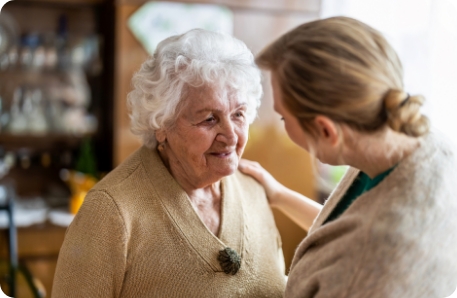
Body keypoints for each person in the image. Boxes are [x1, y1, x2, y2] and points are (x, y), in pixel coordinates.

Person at [52, 29, 286, 297]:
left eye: (238, 114)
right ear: (162, 124)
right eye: (209, 118)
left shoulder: (254, 191)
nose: (231, 135)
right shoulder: (111, 212)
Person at [239, 16, 457, 297]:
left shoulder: (372, 262)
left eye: (282, 117)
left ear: (326, 130)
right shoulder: (414, 141)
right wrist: (279, 195)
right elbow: (346, 232)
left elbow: (360, 249)